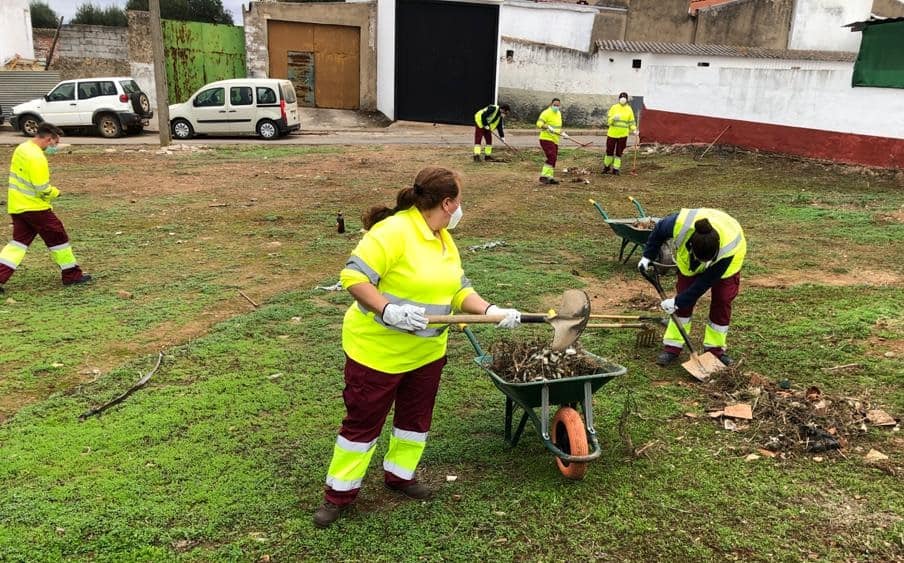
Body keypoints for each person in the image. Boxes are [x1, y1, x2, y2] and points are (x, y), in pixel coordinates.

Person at [314, 166, 521, 528]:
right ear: (446, 202)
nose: (461, 208)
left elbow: (457, 288)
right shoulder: (394, 231)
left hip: (426, 354)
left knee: (414, 422)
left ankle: (400, 476)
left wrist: (491, 311)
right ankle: (339, 495)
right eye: (459, 200)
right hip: (377, 353)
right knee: (363, 424)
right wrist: (387, 309)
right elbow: (353, 275)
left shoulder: (442, 236)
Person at [637, 208, 746, 367]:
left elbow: (703, 284)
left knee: (722, 301)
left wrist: (676, 301)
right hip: (689, 262)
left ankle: (715, 350)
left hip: (729, 264)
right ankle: (672, 346)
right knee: (683, 300)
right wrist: (648, 255)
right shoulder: (680, 225)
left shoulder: (727, 248)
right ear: (691, 247)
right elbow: (659, 230)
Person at [0, 123, 90, 293]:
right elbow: (42, 188)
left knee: (18, 244)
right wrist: (56, 192)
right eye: (55, 144)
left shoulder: (22, 148)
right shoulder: (37, 158)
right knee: (58, 238)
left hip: (17, 205)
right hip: (35, 207)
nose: (54, 148)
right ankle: (72, 275)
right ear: (49, 139)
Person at [602, 92, 638, 175]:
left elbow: (631, 122)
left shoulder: (629, 109)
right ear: (619, 99)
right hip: (612, 134)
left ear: (627, 99)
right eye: (621, 97)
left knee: (619, 152)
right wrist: (613, 118)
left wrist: (634, 130)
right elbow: (608, 122)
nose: (623, 99)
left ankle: (616, 169)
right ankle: (606, 167)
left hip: (623, 135)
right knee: (609, 151)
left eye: (624, 98)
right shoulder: (614, 107)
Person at [536, 98, 563, 185]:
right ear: (551, 104)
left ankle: (550, 177)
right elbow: (539, 124)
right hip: (546, 138)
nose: (556, 107)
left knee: (554, 158)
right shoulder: (546, 112)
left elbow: (558, 127)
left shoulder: (558, 113)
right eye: (555, 105)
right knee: (551, 157)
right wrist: (547, 127)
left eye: (558, 105)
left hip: (555, 139)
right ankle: (544, 176)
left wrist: (563, 134)